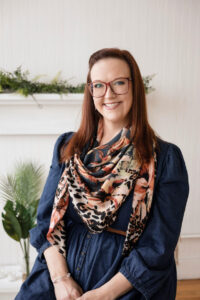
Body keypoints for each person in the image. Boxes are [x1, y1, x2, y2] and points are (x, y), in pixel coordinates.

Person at [15, 48, 189, 300]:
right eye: (98, 85)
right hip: (60, 273)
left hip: (126, 282)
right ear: (90, 91)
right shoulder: (68, 147)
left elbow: (157, 248)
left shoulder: (166, 159)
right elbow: (45, 226)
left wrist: (101, 296)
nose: (108, 94)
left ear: (135, 87)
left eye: (119, 83)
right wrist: (61, 280)